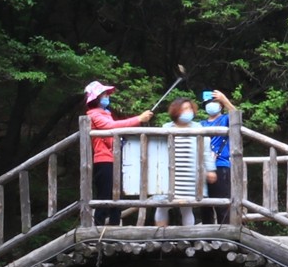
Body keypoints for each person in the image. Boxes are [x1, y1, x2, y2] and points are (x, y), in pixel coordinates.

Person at [83, 80, 153, 225]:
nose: (107, 96)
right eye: (103, 94)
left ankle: (115, 225)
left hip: (115, 158)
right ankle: (98, 225)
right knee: (105, 194)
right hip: (103, 160)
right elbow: (111, 127)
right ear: (95, 98)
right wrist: (138, 119)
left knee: (117, 195)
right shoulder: (93, 115)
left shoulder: (105, 113)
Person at [163, 96, 211, 226]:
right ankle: (160, 235)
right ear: (176, 111)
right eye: (184, 109)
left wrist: (210, 169)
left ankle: (189, 236)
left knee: (187, 207)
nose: (188, 111)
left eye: (190, 108)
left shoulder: (198, 127)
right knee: (162, 205)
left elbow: (206, 150)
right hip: (170, 173)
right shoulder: (166, 127)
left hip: (190, 174)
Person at [200, 89, 239, 223]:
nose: (211, 104)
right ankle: (207, 236)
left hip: (221, 164)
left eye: (214, 102)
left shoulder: (225, 119)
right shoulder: (200, 124)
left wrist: (224, 99)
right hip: (203, 167)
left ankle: (224, 233)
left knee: (222, 202)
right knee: (204, 204)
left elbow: (237, 117)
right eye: (208, 102)